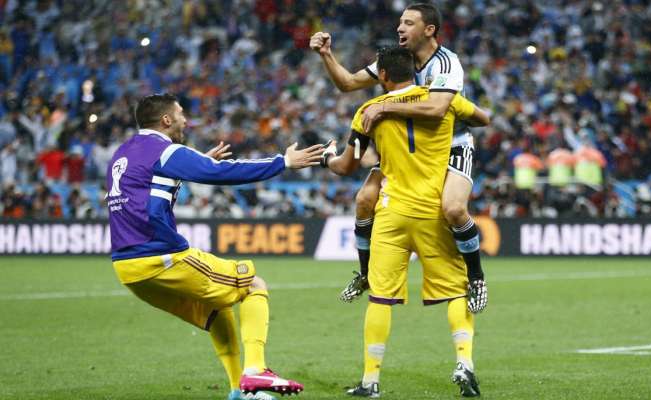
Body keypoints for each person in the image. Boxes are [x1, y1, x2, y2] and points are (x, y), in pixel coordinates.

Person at [107, 94, 324, 400]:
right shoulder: (165, 151)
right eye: (180, 114)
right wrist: (283, 162)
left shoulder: (123, 153)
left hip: (128, 269)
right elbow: (219, 174)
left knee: (217, 310)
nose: (186, 120)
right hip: (160, 257)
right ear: (166, 120)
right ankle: (256, 371)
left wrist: (198, 162)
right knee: (252, 285)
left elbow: (149, 194)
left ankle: (239, 391)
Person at [322, 47, 489, 398]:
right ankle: (464, 363)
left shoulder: (367, 111)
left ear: (382, 75)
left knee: (380, 299)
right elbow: (481, 117)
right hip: (432, 213)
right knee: (456, 292)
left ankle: (370, 381)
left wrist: (324, 156)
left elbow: (346, 166)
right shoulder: (443, 101)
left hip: (392, 214)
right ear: (416, 71)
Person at [310, 3, 488, 313]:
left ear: (428, 30)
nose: (399, 28)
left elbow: (435, 109)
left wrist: (383, 107)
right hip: (409, 150)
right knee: (364, 199)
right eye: (400, 22)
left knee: (454, 208)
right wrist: (326, 55)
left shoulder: (447, 64)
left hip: (452, 144)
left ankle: (476, 277)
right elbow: (348, 83)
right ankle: (365, 274)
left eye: (408, 23)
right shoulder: (398, 60)